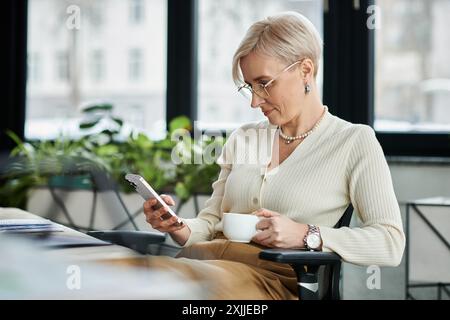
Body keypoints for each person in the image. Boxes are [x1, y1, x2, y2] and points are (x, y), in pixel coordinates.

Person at [142, 11, 405, 300]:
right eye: (249, 87)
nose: (255, 101)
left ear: (305, 70)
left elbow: (390, 242)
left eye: (264, 83)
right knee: (123, 279)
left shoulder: (353, 141)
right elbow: (210, 224)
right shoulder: (243, 137)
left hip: (271, 282)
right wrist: (177, 226)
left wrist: (306, 234)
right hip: (203, 262)